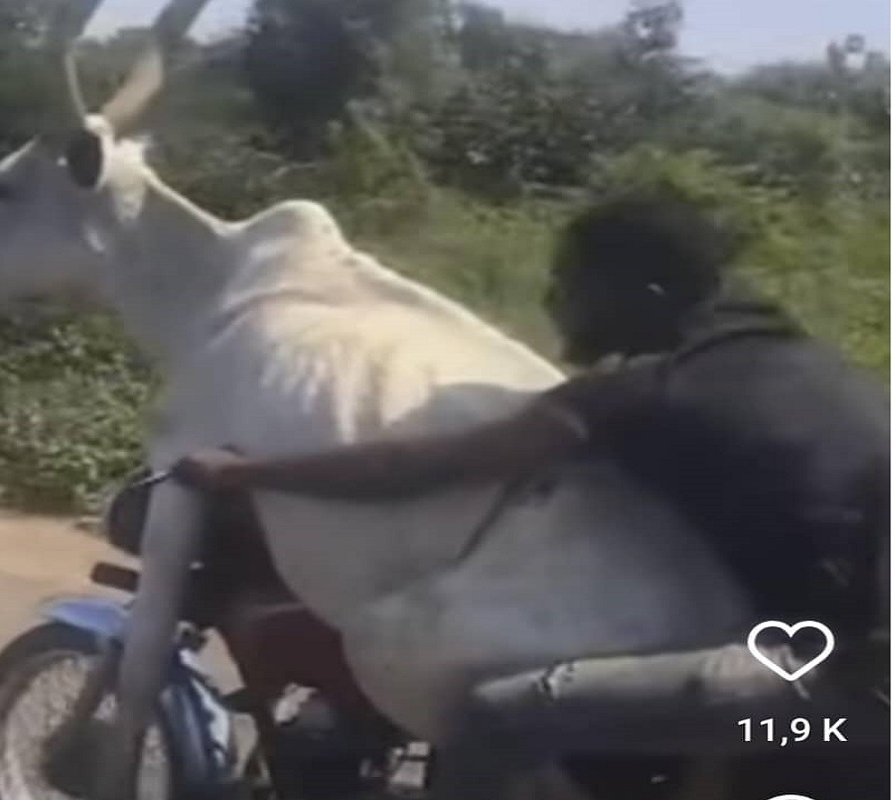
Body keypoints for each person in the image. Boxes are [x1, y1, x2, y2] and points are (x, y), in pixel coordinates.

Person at [169, 192, 890, 798]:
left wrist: (244, 475)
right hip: (842, 647)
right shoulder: (789, 360)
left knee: (493, 718)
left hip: (857, 691)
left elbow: (422, 466)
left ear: (648, 297)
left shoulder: (645, 391)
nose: (554, 299)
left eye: (573, 282)